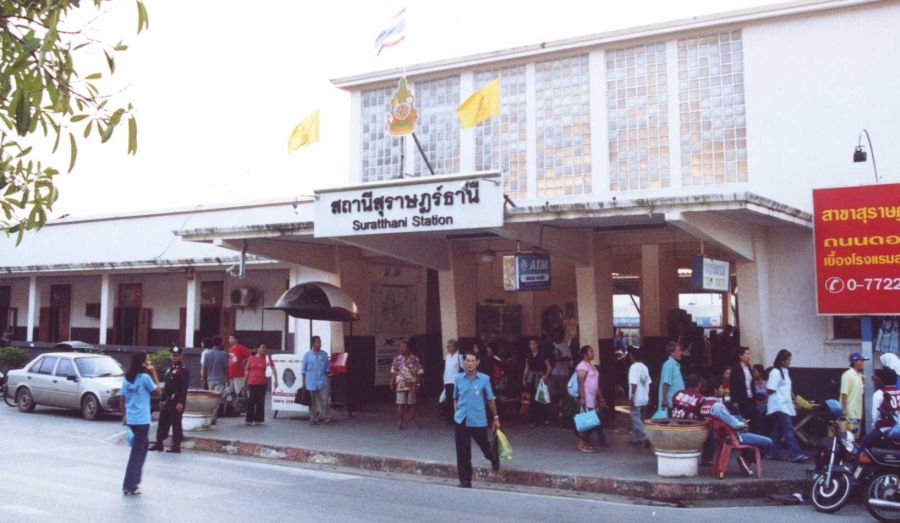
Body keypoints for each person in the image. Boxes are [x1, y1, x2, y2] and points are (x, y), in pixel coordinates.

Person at [453, 352, 501, 488]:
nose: (469, 363)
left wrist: (495, 418)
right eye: (467, 361)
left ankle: (493, 458)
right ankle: (465, 480)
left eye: (472, 361)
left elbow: (491, 399)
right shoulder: (458, 378)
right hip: (461, 418)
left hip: (478, 419)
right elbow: (455, 397)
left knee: (485, 446)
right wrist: (456, 413)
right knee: (463, 451)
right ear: (464, 363)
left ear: (477, 363)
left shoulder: (484, 379)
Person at [120, 352, 160, 495]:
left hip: (132, 419)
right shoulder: (144, 378)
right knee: (136, 453)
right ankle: (129, 485)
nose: (148, 362)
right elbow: (158, 391)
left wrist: (124, 416)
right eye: (147, 360)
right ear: (142, 363)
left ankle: (135, 482)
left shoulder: (127, 379)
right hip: (142, 421)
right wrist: (153, 371)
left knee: (142, 449)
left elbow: (122, 398)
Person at [766, 349, 808, 462]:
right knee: (788, 429)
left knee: (777, 431)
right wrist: (780, 397)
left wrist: (796, 400)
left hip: (784, 405)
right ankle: (796, 454)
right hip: (779, 405)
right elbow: (770, 389)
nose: (790, 362)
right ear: (782, 361)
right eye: (788, 360)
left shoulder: (785, 371)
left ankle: (772, 453)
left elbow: (788, 389)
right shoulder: (775, 372)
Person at [150, 346, 189, 453]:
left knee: (176, 423)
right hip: (167, 399)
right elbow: (166, 387)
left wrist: (181, 402)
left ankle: (176, 446)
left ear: (181, 356)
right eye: (172, 355)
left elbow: (184, 388)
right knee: (162, 422)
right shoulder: (169, 369)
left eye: (176, 355)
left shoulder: (183, 370)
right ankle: (159, 443)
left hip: (176, 400)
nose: (174, 357)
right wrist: (161, 400)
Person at [575, 345, 608, 452]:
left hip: (593, 397)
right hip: (587, 397)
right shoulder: (582, 366)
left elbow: (595, 385)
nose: (593, 353)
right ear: (585, 354)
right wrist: (582, 398)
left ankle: (587, 442)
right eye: (590, 352)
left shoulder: (591, 366)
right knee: (587, 421)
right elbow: (581, 383)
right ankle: (583, 443)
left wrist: (600, 398)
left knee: (591, 420)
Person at [861, 368, 900, 448]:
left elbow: (875, 417)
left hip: (885, 429)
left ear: (882, 380)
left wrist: (874, 427)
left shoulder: (879, 394)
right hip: (898, 429)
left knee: (863, 444)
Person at [391, 340, 423, 430]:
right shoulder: (397, 359)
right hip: (400, 383)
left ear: (408, 348)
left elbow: (419, 372)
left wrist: (418, 384)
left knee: (412, 403)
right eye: (400, 347)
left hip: (412, 383)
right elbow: (393, 371)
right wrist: (391, 382)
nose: (401, 349)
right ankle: (400, 422)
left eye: (403, 347)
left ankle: (412, 421)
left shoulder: (415, 359)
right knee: (400, 403)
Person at [242, 343, 277, 425]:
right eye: (262, 347)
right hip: (252, 382)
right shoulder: (251, 358)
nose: (264, 349)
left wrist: (276, 380)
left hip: (262, 382)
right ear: (257, 349)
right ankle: (249, 419)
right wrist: (244, 382)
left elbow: (273, 369)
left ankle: (258, 419)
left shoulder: (267, 359)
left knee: (260, 401)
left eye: (265, 347)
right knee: (251, 401)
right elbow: (247, 371)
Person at [302, 335, 331, 425]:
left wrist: (328, 380)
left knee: (325, 400)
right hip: (311, 382)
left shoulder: (324, 355)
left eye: (320, 342)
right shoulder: (307, 355)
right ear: (313, 344)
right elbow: (303, 371)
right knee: (312, 401)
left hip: (323, 381)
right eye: (318, 342)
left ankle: (327, 418)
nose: (320, 344)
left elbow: (327, 369)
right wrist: (303, 383)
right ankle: (313, 418)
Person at [522, 338, 552, 427]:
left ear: (537, 345)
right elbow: (526, 367)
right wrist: (524, 378)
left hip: (540, 377)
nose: (533, 346)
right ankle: (534, 419)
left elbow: (549, 367)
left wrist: (545, 376)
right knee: (532, 398)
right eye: (531, 344)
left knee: (541, 398)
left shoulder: (543, 355)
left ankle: (545, 418)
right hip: (531, 377)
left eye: (534, 344)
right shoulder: (528, 355)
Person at [202, 336, 229, 425]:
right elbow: (226, 369)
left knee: (211, 398)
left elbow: (204, 368)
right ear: (220, 344)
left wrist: (204, 379)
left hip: (210, 379)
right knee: (217, 399)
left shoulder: (207, 354)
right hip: (220, 379)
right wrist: (228, 380)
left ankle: (210, 415)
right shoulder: (224, 354)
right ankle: (213, 416)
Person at [627, 349, 651, 445]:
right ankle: (637, 439)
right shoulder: (645, 367)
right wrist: (648, 396)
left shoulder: (633, 367)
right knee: (640, 418)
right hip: (644, 397)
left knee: (635, 418)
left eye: (630, 355)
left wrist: (632, 396)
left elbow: (634, 383)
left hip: (637, 397)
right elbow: (648, 383)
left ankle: (646, 435)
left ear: (633, 356)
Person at [730, 347, 756, 429]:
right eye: (747, 354)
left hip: (750, 397)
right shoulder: (736, 368)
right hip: (741, 398)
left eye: (749, 354)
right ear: (741, 356)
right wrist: (734, 400)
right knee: (743, 419)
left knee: (752, 418)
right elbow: (733, 384)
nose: (749, 356)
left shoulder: (749, 367)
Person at [658, 342, 685, 415]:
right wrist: (664, 399)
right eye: (678, 351)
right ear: (671, 353)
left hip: (677, 400)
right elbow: (666, 383)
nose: (680, 353)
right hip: (671, 402)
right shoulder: (668, 365)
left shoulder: (675, 365)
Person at [841, 352, 868, 422]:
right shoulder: (848, 375)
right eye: (861, 361)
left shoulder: (859, 375)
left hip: (858, 412)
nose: (863, 364)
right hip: (850, 413)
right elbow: (844, 393)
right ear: (855, 362)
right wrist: (844, 410)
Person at [443, 339, 464, 424]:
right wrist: (444, 380)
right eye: (447, 346)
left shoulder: (460, 356)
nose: (447, 347)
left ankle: (459, 417)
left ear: (455, 347)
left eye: (449, 346)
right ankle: (450, 417)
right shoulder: (447, 357)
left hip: (456, 381)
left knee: (457, 399)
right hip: (448, 380)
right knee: (449, 400)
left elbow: (463, 369)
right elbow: (446, 369)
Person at [550, 328, 573, 402]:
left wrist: (560, 359)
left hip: (563, 374)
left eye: (559, 334)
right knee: (553, 394)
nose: (556, 336)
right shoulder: (551, 345)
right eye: (555, 334)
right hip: (553, 373)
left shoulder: (565, 346)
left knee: (562, 393)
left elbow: (569, 358)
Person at [227, 334, 252, 399]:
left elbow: (251, 354)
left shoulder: (240, 347)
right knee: (231, 392)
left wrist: (245, 360)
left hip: (238, 374)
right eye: (229, 338)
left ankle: (240, 407)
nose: (230, 340)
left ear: (236, 340)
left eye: (232, 338)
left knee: (239, 392)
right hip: (230, 374)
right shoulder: (230, 349)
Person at [752, 364, 769, 433]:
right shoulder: (752, 384)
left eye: (754, 372)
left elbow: (769, 396)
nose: (753, 374)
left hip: (765, 404)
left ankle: (761, 431)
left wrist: (761, 402)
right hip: (754, 404)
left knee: (762, 409)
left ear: (760, 373)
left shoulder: (766, 383)